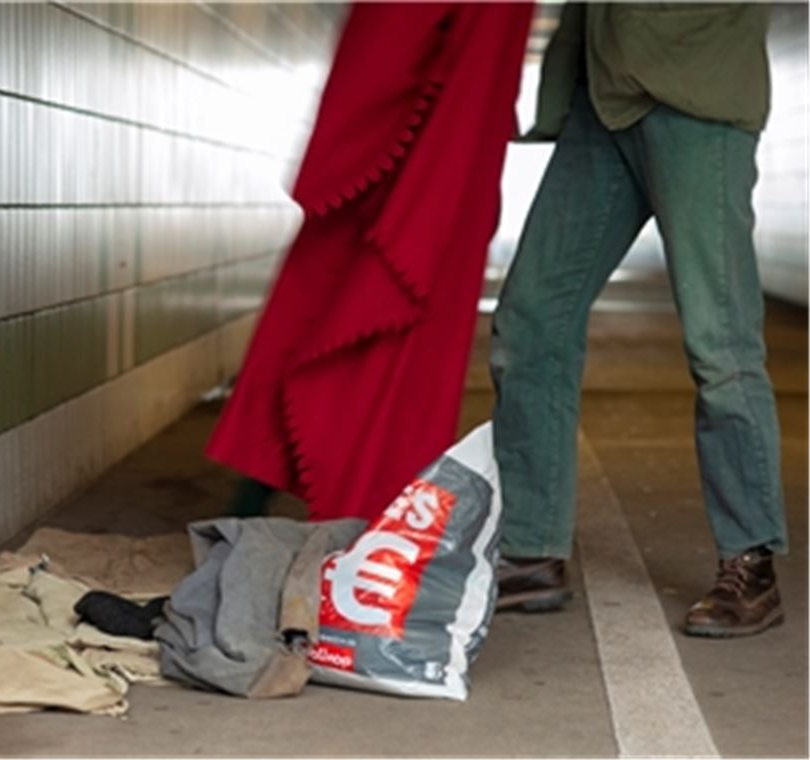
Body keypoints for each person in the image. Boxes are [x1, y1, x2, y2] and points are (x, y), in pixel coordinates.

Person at [491, 3, 788, 638]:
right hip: (602, 105)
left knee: (719, 340)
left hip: (697, 91)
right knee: (532, 320)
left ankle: (751, 560)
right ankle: (530, 547)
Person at [206, 3, 535, 522]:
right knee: (379, 320)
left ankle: (285, 495)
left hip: (422, 143)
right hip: (448, 146)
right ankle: (351, 500)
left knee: (329, 307)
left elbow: (387, 36)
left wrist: (340, 155)